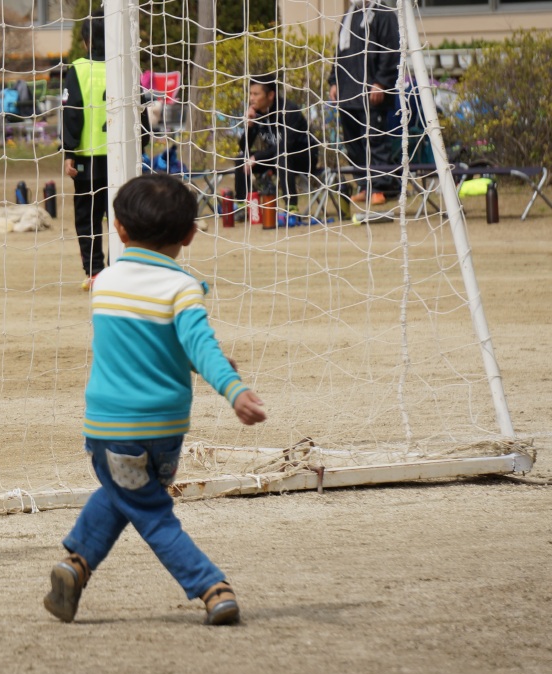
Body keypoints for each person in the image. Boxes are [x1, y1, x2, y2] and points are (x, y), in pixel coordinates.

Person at [42, 173, 268, 625]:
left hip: (109, 427)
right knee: (138, 497)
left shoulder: (104, 283)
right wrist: (233, 387)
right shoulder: (182, 289)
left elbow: (144, 346)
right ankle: (80, 566)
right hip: (164, 430)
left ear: (119, 229)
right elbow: (197, 347)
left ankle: (207, 586)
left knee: (139, 501)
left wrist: (205, 365)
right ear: (190, 234)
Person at [329, 0, 401, 206]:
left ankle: (381, 187)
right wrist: (334, 81)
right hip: (348, 94)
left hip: (372, 93)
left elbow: (391, 51)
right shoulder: (349, 15)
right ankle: (364, 185)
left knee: (375, 141)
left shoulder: (384, 14)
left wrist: (381, 82)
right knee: (353, 144)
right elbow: (340, 53)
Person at [61, 13, 108, 291]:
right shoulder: (126, 66)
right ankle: (122, 268)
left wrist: (69, 151)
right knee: (121, 215)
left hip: (88, 157)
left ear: (86, 41)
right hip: (120, 157)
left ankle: (95, 272)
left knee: (87, 216)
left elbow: (72, 112)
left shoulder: (78, 69)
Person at [233, 73, 321, 220]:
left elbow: (286, 145)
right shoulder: (257, 113)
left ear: (270, 95)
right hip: (276, 156)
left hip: (304, 157)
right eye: (250, 94)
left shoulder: (289, 111)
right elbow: (244, 147)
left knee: (282, 157)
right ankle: (242, 206)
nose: (251, 98)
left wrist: (258, 157)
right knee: (242, 159)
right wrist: (250, 126)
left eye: (256, 94)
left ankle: (291, 208)